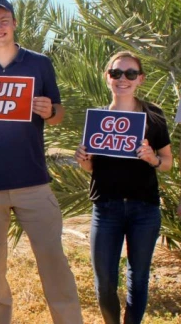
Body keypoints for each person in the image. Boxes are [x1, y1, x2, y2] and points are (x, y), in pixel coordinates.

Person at [0, 0, 83, 324]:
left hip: (33, 182)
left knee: (53, 261)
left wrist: (50, 110)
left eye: (4, 20)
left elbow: (58, 113)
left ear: (14, 23)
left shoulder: (39, 63)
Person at [75, 51, 172, 324]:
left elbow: (167, 163)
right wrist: (83, 160)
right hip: (106, 208)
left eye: (130, 74)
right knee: (104, 281)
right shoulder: (98, 118)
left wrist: (153, 158)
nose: (123, 79)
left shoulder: (154, 116)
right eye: (116, 73)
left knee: (138, 278)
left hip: (145, 208)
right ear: (108, 78)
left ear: (140, 79)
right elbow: (92, 167)